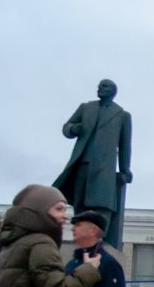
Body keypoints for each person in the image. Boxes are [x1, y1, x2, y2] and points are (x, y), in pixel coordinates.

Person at [52, 79, 133, 249]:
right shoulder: (86, 108)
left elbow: (125, 146)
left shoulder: (122, 115)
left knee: (103, 203)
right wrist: (74, 129)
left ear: (113, 91)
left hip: (105, 168)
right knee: (80, 203)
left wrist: (125, 170)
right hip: (82, 162)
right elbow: (67, 127)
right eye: (99, 86)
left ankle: (99, 239)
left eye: (104, 86)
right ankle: (81, 237)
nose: (99, 89)